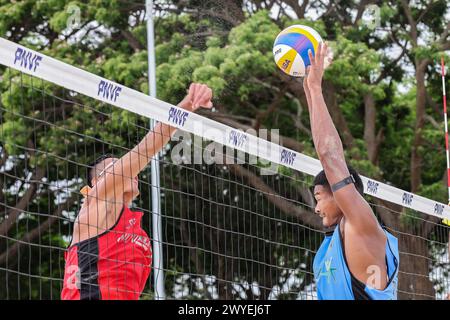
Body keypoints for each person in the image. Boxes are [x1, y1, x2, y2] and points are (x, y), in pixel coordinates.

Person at [61, 83, 213, 300]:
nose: (127, 169)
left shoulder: (135, 228)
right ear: (97, 181)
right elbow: (146, 149)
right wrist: (187, 104)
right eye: (116, 166)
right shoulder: (97, 199)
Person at [303, 43, 399, 300]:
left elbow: (330, 156)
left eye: (319, 196)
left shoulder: (359, 223)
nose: (315, 207)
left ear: (339, 193)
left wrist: (315, 89)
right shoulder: (331, 244)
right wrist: (310, 95)